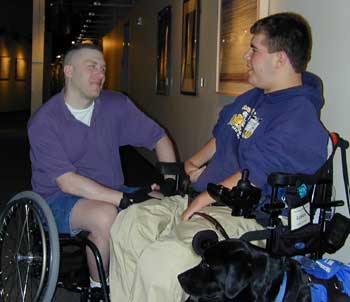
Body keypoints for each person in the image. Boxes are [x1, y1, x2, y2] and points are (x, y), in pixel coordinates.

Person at [109, 12, 330, 302]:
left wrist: (202, 200)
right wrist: (191, 164)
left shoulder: (300, 116)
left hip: (246, 215)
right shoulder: (253, 97)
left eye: (254, 49)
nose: (245, 55)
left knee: (162, 260)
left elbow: (258, 173)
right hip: (207, 200)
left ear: (280, 58)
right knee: (128, 225)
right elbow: (222, 134)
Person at [27, 43, 176, 298]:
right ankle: (99, 289)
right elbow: (67, 182)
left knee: (163, 205)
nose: (100, 74)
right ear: (69, 71)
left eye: (103, 68)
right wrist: (124, 199)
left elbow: (158, 137)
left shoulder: (115, 105)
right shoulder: (44, 121)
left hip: (111, 187)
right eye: (92, 67)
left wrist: (169, 181)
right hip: (57, 198)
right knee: (105, 215)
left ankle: (141, 278)